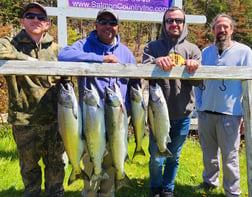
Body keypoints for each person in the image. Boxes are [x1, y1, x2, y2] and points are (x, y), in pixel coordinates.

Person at [58, 8, 140, 197]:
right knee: (91, 169)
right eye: (103, 21)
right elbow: (63, 56)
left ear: (118, 27)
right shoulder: (84, 45)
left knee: (111, 172)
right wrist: (100, 59)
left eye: (112, 23)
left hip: (117, 123)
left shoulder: (126, 53)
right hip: (91, 123)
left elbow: (135, 83)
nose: (107, 26)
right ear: (95, 25)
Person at [0, 2, 65, 197]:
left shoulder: (58, 50)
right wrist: (29, 61)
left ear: (48, 24)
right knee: (29, 171)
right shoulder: (8, 43)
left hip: (55, 121)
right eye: (30, 16)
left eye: (41, 17)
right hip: (24, 121)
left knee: (56, 168)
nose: (36, 20)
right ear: (22, 21)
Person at [142, 6, 202, 197]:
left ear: (184, 24)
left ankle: (168, 189)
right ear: (164, 23)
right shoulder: (152, 47)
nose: (174, 24)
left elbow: (201, 82)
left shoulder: (193, 50)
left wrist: (194, 69)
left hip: (183, 113)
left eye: (178, 20)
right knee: (156, 158)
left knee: (173, 157)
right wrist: (156, 63)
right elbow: (143, 73)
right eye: (170, 20)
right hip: (157, 114)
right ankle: (155, 187)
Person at [193, 13, 252, 197]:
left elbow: (249, 86)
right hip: (206, 113)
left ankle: (232, 191)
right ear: (213, 30)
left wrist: (246, 114)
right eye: (218, 26)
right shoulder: (205, 52)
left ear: (232, 30)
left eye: (226, 26)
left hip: (230, 114)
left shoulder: (245, 52)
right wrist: (200, 105)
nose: (222, 30)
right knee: (208, 154)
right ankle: (210, 182)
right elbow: (199, 82)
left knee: (230, 157)